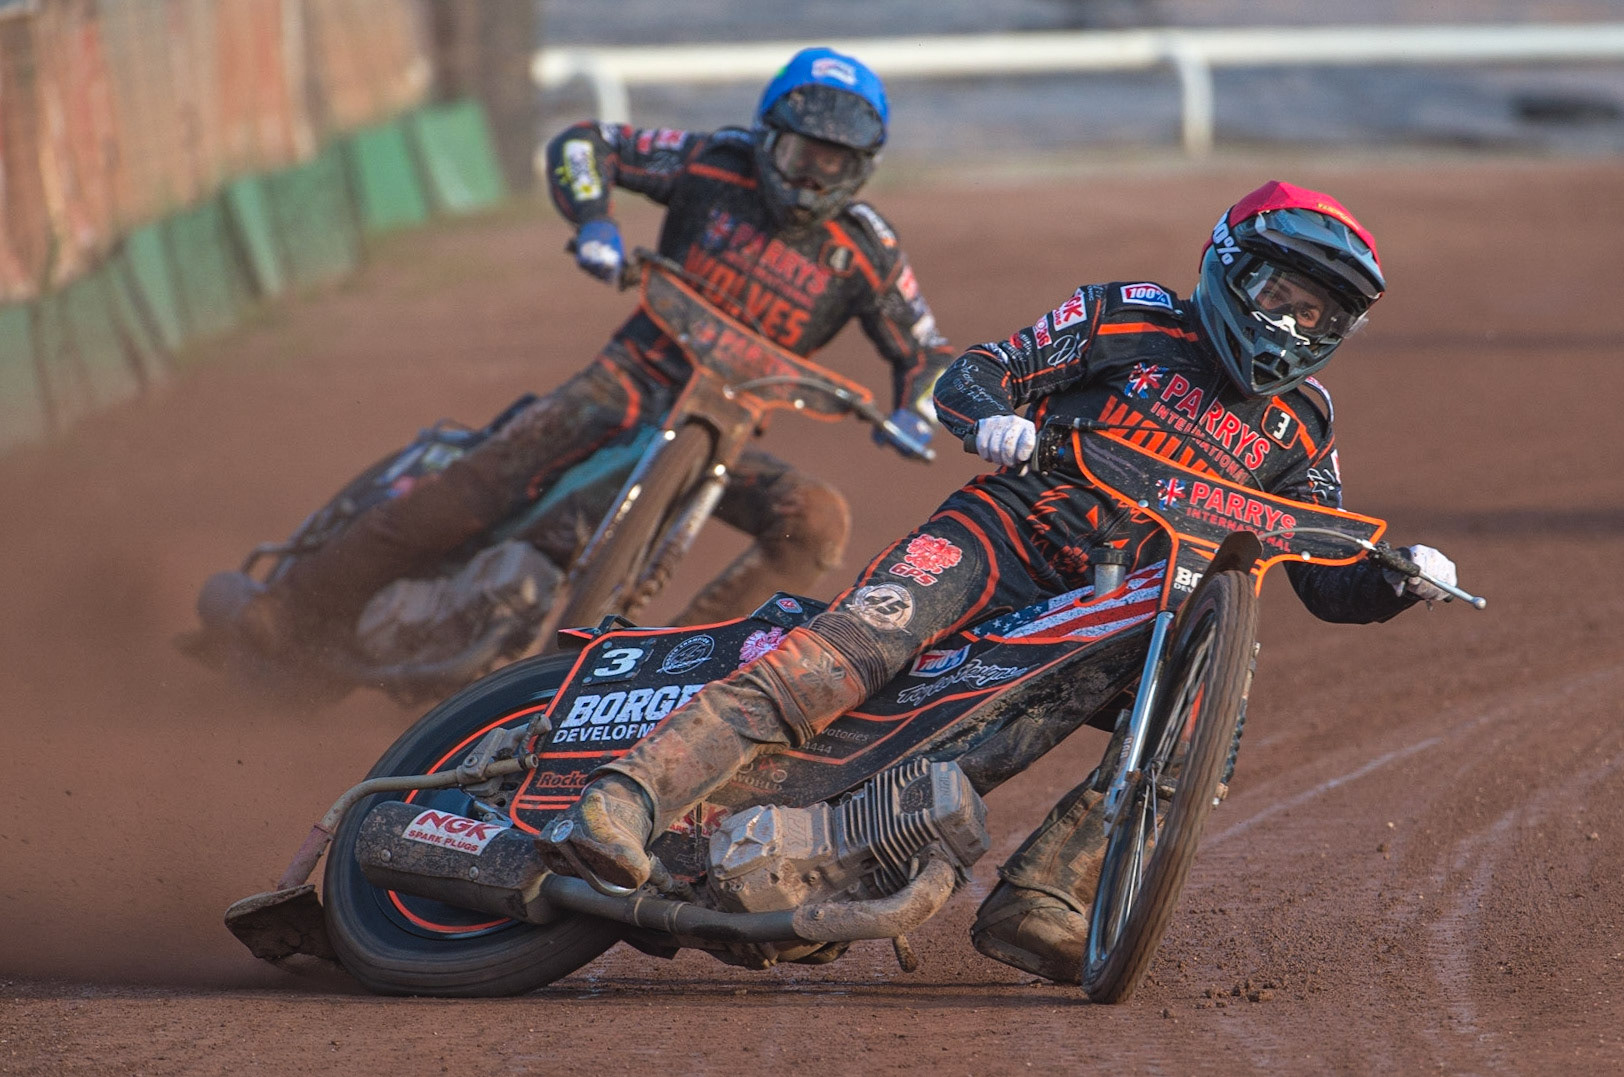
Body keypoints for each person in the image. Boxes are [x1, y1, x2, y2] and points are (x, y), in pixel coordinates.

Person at [536, 179, 1461, 983]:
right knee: (847, 654)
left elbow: (1324, 575)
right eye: (1280, 295)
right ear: (1229, 266)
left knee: (1199, 725)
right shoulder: (1128, 315)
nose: (1292, 326)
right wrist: (992, 418)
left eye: (1319, 315)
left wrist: (1398, 582)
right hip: (1003, 536)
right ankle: (628, 793)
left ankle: (1047, 895)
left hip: (1116, 610)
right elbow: (981, 370)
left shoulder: (1304, 426)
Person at [241, 47, 954, 656]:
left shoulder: (869, 252)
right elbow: (586, 144)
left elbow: (926, 351)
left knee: (817, 520)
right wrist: (594, 224)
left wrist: (918, 412)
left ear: (862, 170)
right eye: (799, 157)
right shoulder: (714, 164)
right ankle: (291, 608)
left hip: (726, 433)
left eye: (832, 166)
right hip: (622, 384)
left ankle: (680, 676)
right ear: (768, 139)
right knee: (476, 488)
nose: (808, 183)